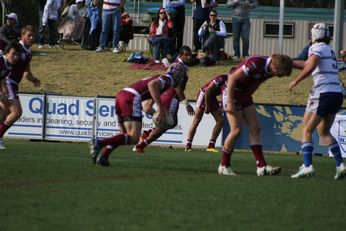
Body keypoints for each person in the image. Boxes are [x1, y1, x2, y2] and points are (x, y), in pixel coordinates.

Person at [90, 46, 192, 166]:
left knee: (124, 134)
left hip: (122, 95)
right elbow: (152, 85)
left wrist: (155, 113)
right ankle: (99, 143)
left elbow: (147, 106)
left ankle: (104, 156)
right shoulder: (168, 79)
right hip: (131, 98)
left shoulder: (162, 78)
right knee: (133, 138)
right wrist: (163, 111)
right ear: (178, 76)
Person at [219, 54, 293, 176]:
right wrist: (229, 102)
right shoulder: (256, 63)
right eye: (279, 73)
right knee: (236, 130)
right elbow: (232, 78)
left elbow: (258, 81)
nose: (279, 76)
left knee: (255, 128)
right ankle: (224, 165)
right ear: (274, 65)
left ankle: (261, 166)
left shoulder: (271, 69)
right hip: (231, 92)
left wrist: (248, 95)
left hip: (244, 94)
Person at [289, 23, 346, 180]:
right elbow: (310, 64)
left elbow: (311, 64)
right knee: (323, 131)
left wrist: (296, 80)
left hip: (323, 93)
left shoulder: (315, 48)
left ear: (314, 35)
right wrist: (291, 62)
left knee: (306, 130)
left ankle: (307, 166)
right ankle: (340, 164)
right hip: (336, 94)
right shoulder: (330, 50)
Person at [0, 26, 41, 150]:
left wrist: (33, 80)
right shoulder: (17, 48)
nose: (31, 38)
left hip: (13, 84)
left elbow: (26, 72)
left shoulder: (28, 53)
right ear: (22, 35)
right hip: (8, 82)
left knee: (5, 112)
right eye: (29, 35)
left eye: (33, 36)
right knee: (17, 112)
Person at [133, 87, 195, 153]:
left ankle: (147, 134)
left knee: (169, 124)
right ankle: (140, 146)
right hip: (171, 98)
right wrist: (187, 104)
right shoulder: (182, 76)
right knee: (165, 125)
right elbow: (178, 88)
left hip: (166, 95)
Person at [185, 74, 227, 152]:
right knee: (196, 120)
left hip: (212, 96)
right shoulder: (222, 79)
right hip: (204, 94)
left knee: (220, 121)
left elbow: (224, 95)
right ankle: (188, 145)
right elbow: (207, 91)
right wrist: (207, 106)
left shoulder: (233, 82)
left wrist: (222, 107)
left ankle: (211, 146)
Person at [0, 41, 22, 107]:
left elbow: (3, 80)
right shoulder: (1, 61)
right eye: (13, 54)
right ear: (6, 52)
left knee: (6, 110)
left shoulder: (9, 65)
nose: (15, 57)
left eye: (18, 55)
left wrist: (5, 94)